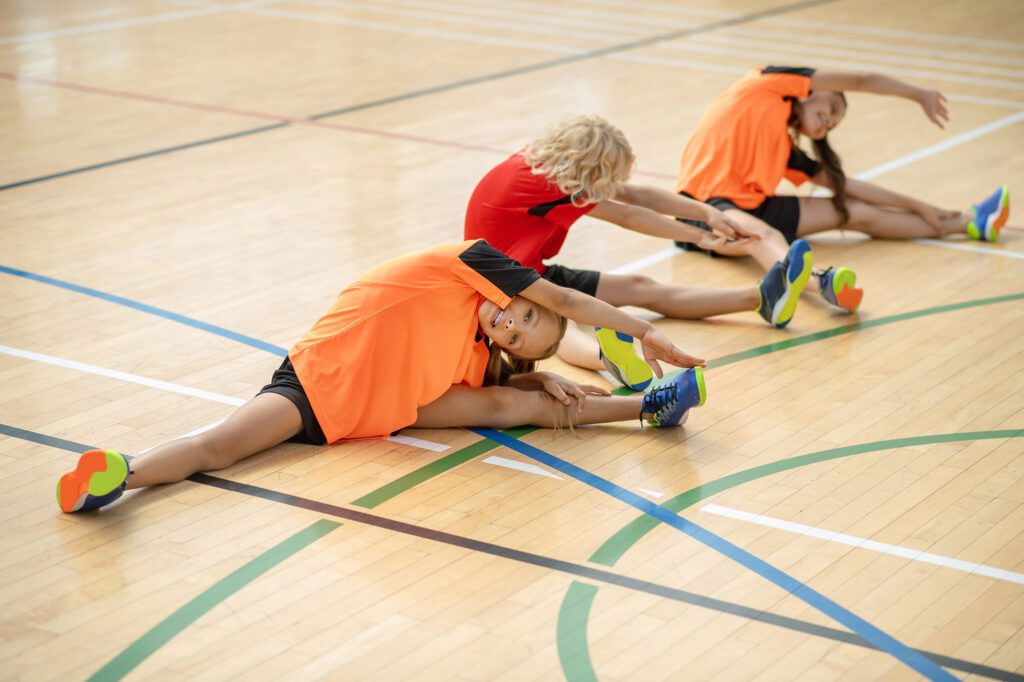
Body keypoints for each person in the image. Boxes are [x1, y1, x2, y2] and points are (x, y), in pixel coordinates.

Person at [57, 240, 707, 513]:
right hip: (317, 387)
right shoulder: (464, 261)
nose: (510, 323)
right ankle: (121, 475)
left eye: (519, 335)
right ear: (518, 286)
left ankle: (649, 408)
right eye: (520, 313)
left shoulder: (473, 349)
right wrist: (644, 329)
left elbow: (500, 380)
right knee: (219, 446)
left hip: (395, 407)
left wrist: (537, 382)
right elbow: (565, 303)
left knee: (518, 405)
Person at [465, 114, 813, 391]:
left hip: (524, 265)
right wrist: (701, 236)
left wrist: (705, 214)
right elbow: (629, 215)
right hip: (501, 283)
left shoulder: (544, 165)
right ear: (589, 171)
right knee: (560, 325)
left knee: (640, 286)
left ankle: (763, 297)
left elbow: (636, 197)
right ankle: (607, 360)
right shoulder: (551, 188)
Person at [673, 65, 1011, 313]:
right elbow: (862, 79)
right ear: (808, 92)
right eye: (831, 109)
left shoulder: (785, 146)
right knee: (762, 236)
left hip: (749, 206)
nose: (829, 121)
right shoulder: (763, 85)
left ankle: (970, 222)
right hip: (702, 210)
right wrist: (917, 93)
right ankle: (819, 285)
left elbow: (846, 186)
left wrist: (918, 204)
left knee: (855, 212)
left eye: (834, 123)